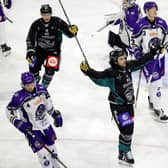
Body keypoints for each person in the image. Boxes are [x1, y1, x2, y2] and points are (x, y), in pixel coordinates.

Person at [80, 44, 161, 165]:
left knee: (129, 130)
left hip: (129, 105)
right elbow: (98, 77)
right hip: (119, 107)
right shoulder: (111, 74)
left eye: (124, 58)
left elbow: (140, 62)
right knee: (127, 130)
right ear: (115, 61)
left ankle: (123, 152)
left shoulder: (127, 67)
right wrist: (88, 71)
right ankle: (124, 152)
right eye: (121, 59)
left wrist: (153, 52)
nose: (124, 60)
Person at [6, 72, 63, 168]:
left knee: (53, 151)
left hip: (46, 126)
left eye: (32, 83)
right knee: (43, 156)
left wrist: (54, 114)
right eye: (27, 85)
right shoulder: (18, 97)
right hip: (32, 130)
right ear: (23, 85)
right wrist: (17, 122)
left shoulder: (42, 90)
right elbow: (9, 111)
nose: (30, 86)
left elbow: (48, 104)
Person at [26, 4, 78, 88]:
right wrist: (30, 51)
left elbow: (69, 33)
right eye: (44, 14)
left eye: (48, 14)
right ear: (41, 15)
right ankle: (34, 85)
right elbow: (30, 39)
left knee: (50, 71)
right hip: (39, 50)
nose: (46, 16)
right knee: (33, 66)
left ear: (51, 13)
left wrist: (73, 30)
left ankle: (43, 88)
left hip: (53, 51)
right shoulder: (36, 24)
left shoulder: (57, 21)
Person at [132, 1, 168, 122]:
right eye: (152, 9)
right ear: (146, 11)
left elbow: (167, 38)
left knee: (156, 82)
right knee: (156, 83)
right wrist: (137, 53)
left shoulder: (162, 23)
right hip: (148, 59)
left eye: (155, 9)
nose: (155, 11)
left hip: (160, 58)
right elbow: (135, 42)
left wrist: (164, 47)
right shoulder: (140, 25)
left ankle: (152, 101)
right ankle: (158, 108)